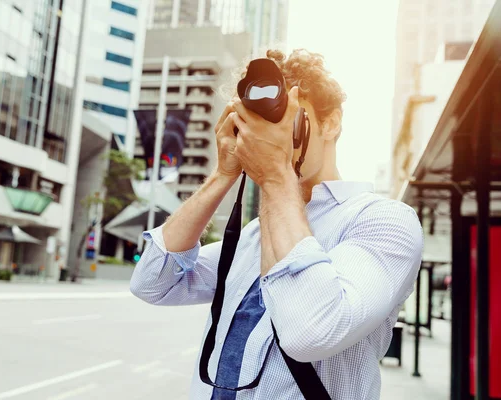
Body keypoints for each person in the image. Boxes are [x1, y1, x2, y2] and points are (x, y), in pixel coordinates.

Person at [130, 49, 424, 399]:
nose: (273, 136)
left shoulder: (381, 220)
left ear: (330, 123)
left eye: (287, 120)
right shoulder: (257, 232)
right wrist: (224, 173)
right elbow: (153, 283)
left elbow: (311, 332)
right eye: (262, 126)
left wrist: (274, 174)